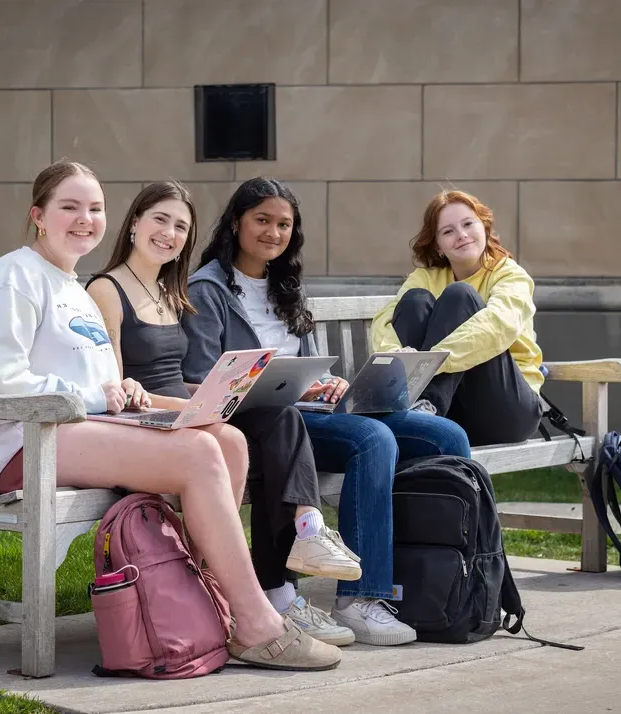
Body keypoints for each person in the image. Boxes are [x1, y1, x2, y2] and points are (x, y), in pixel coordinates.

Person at [0, 161, 341, 671]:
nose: (84, 218)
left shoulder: (70, 285)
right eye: (69, 207)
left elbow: (96, 379)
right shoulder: (15, 275)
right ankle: (255, 624)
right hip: (19, 442)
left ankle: (206, 609)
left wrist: (120, 388)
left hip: (71, 429)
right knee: (200, 453)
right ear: (38, 215)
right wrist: (95, 394)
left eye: (94, 208)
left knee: (228, 441)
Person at [182, 177, 472, 647]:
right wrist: (273, 382)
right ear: (236, 222)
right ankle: (360, 598)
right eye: (262, 220)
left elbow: (308, 363)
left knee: (445, 437)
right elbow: (202, 375)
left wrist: (328, 384)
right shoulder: (208, 290)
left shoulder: (287, 287)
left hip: (309, 411)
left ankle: (444, 583)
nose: (273, 232)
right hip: (259, 422)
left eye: (284, 224)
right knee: (373, 440)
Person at [85, 181, 359, 647]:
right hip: (151, 422)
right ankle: (259, 581)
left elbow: (182, 376)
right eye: (160, 220)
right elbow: (120, 386)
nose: (169, 234)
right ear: (133, 223)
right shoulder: (108, 289)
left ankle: (281, 558)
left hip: (190, 412)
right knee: (244, 436)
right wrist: (198, 404)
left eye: (180, 227)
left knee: (277, 420)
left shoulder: (169, 292)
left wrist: (230, 388)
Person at [368, 190, 544, 446]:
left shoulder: (509, 274)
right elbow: (385, 319)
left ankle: (422, 407)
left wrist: (429, 362)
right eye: (448, 231)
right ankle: (422, 410)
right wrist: (395, 353)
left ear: (483, 226)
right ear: (438, 245)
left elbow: (497, 325)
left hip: (507, 412)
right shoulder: (426, 277)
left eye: (468, 224)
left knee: (460, 296)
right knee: (414, 300)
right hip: (453, 413)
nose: (461, 235)